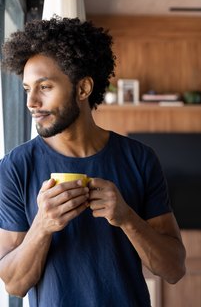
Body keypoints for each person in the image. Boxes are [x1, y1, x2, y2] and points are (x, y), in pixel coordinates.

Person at [0, 17, 186, 307]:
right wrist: (42, 226)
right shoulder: (15, 166)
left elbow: (174, 269)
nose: (31, 102)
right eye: (27, 89)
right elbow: (14, 284)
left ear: (83, 88)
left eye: (44, 87)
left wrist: (127, 218)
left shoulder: (139, 158)